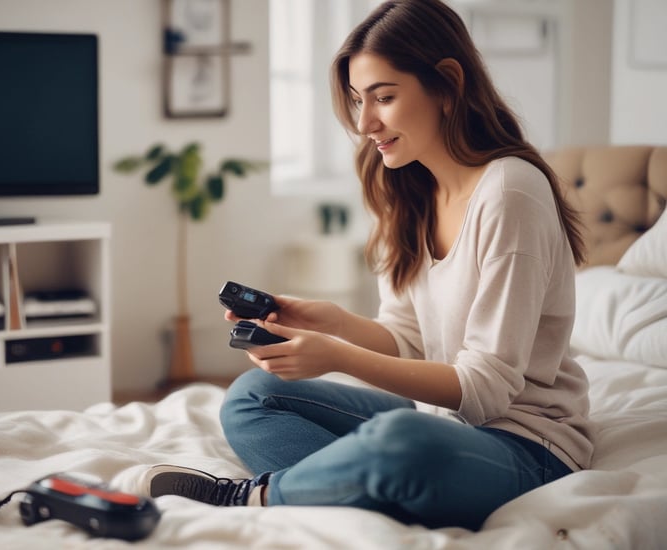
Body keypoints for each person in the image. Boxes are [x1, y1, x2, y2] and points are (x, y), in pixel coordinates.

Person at [148, 0, 594, 530]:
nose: (365, 122)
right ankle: (353, 485)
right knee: (252, 397)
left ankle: (257, 497)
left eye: (384, 97)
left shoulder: (511, 192)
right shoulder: (408, 190)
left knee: (403, 442)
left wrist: (338, 356)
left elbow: (487, 388)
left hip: (528, 447)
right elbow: (409, 337)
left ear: (448, 86)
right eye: (359, 100)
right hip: (440, 425)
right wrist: (329, 324)